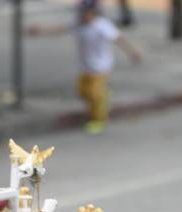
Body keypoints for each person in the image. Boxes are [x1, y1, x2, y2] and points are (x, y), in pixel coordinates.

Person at [28, 0, 142, 134]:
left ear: (93, 13)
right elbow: (61, 29)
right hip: (85, 66)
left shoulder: (102, 26)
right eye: (81, 13)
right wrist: (41, 31)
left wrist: (132, 51)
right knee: (82, 91)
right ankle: (102, 100)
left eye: (85, 13)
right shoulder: (79, 25)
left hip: (101, 66)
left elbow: (118, 38)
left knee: (94, 93)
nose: (82, 16)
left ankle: (99, 120)